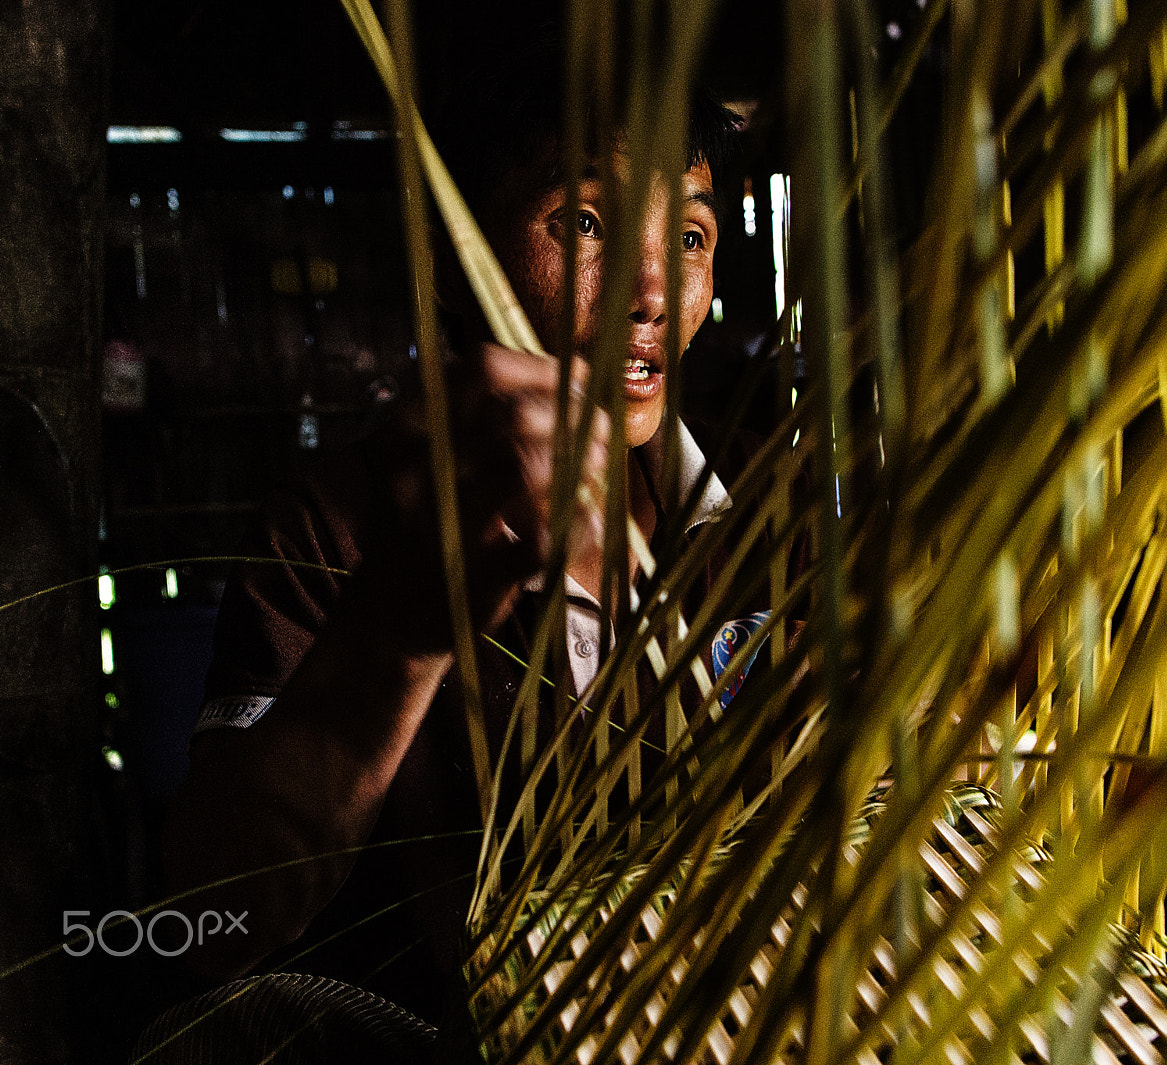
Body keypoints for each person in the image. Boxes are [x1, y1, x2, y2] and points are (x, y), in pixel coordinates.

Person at [154, 54, 751, 1045]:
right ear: (448, 253)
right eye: (588, 223)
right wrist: (399, 631)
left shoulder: (747, 544)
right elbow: (206, 924)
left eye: (688, 236)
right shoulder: (339, 528)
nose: (650, 292)